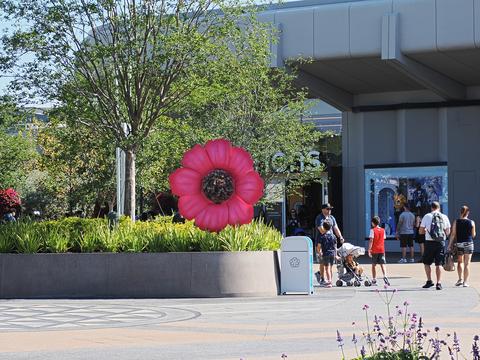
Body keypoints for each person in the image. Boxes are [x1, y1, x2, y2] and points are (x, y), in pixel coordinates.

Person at [419, 201, 451, 290]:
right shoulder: (444, 217)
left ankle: (429, 281)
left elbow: (420, 231)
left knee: (426, 263)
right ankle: (439, 283)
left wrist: (426, 231)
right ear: (439, 208)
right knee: (439, 263)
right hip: (440, 242)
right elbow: (448, 232)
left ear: (431, 208)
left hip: (429, 242)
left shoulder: (427, 216)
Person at [314, 203, 345, 285]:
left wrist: (340, 237)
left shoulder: (331, 218)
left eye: (330, 209)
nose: (329, 210)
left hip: (330, 242)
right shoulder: (319, 218)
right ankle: (322, 278)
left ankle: (327, 279)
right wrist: (328, 230)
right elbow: (321, 230)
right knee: (322, 261)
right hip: (321, 242)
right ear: (323, 209)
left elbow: (336, 228)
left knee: (329, 263)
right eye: (327, 209)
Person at [447, 205, 476, 288]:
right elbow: (473, 235)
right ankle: (465, 282)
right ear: (468, 213)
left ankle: (460, 279)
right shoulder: (472, 222)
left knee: (460, 262)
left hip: (459, 244)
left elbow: (453, 234)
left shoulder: (456, 221)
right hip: (469, 244)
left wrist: (449, 245)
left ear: (460, 212)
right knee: (467, 264)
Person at [368, 216, 389, 286]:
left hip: (375, 250)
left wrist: (369, 249)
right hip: (382, 250)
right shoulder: (383, 230)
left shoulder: (372, 230)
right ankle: (385, 276)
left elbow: (371, 240)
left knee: (374, 265)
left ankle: (374, 280)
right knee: (383, 264)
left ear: (373, 223)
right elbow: (384, 239)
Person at [317, 221, 337, 288]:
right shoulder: (333, 236)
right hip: (332, 253)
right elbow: (335, 246)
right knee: (330, 268)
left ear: (323, 227)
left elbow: (319, 246)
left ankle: (329, 281)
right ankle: (330, 280)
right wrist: (336, 254)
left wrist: (319, 252)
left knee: (327, 268)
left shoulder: (322, 236)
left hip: (326, 253)